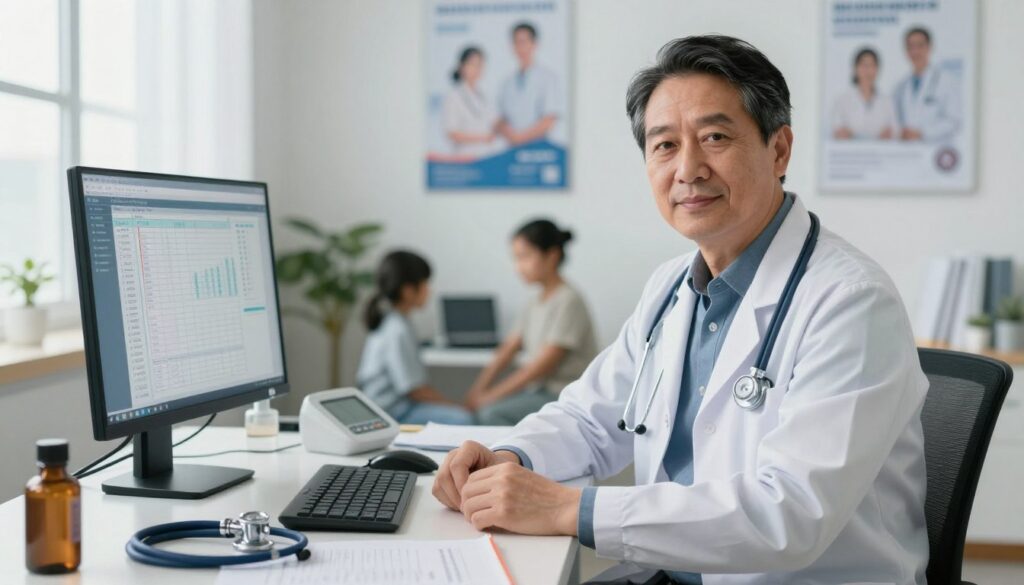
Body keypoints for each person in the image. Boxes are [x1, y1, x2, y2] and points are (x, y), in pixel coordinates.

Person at [433, 35, 929, 584]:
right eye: (664, 145)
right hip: (669, 573)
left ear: (779, 150)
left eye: (715, 137)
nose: (688, 169)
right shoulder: (671, 286)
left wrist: (566, 510)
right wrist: (509, 459)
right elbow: (591, 419)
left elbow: (790, 514)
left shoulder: (850, 301)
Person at [465, 219, 597, 426]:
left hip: (564, 394)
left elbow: (541, 367)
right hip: (539, 390)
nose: (518, 267)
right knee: (482, 409)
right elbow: (508, 349)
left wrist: (491, 396)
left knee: (491, 413)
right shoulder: (534, 302)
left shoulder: (568, 300)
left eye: (524, 257)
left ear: (552, 256)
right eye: (515, 258)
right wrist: (478, 390)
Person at [357, 251, 475, 425]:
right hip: (392, 412)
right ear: (408, 291)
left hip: (392, 406)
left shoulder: (393, 321)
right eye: (425, 284)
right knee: (463, 419)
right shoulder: (397, 329)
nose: (429, 290)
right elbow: (415, 390)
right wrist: (456, 406)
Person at [496, 22, 562, 146]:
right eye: (516, 42)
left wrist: (520, 138)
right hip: (512, 149)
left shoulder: (548, 78)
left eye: (524, 42)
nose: (520, 47)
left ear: (534, 44)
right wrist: (510, 134)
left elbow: (549, 119)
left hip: (538, 149)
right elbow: (501, 118)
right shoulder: (507, 83)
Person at [893, 26, 961, 142]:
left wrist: (922, 133)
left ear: (930, 48)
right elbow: (896, 121)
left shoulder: (946, 81)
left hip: (935, 150)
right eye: (910, 47)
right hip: (906, 153)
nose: (915, 51)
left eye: (920, 46)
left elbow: (954, 121)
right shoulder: (901, 87)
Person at [442, 46, 501, 158]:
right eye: (472, 64)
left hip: (485, 157)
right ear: (461, 66)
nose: (476, 69)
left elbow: (493, 122)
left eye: (480, 65)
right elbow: (452, 133)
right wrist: (483, 138)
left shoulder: (483, 96)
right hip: (465, 158)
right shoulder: (453, 96)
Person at [831, 47, 898, 140]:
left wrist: (890, 133)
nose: (868, 70)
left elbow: (895, 130)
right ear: (855, 69)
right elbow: (836, 129)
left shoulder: (887, 101)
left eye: (872, 65)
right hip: (849, 153)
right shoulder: (842, 100)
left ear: (877, 69)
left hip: (880, 152)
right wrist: (842, 133)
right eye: (864, 65)